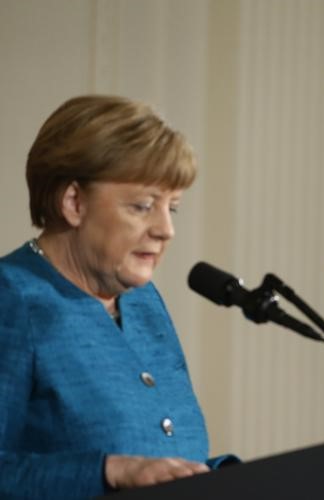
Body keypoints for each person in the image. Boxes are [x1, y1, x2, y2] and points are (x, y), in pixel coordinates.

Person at [0, 95, 235, 499]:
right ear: (74, 202)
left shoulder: (143, 303)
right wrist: (110, 471)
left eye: (172, 208)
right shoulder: (13, 297)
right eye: (143, 206)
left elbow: (164, 460)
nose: (166, 230)